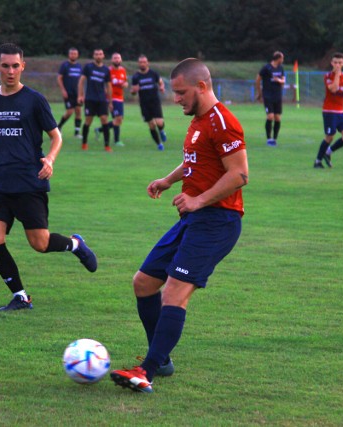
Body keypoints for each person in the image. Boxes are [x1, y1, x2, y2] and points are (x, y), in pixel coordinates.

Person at [110, 58, 249, 393]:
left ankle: (148, 369)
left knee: (173, 292)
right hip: (194, 219)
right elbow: (194, 161)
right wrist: (169, 180)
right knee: (143, 283)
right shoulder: (198, 121)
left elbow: (240, 174)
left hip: (218, 221)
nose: (176, 99)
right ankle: (162, 356)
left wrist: (199, 200)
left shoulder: (223, 122)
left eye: (181, 92)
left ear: (201, 86)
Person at [0, 43, 98, 312]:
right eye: (5, 65)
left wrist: (50, 160)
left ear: (23, 67)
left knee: (39, 243)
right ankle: (20, 296)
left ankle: (75, 245)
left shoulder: (34, 100)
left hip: (28, 182)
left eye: (15, 65)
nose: (10, 71)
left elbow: (56, 136)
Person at [313, 52, 343, 168]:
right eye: (335, 62)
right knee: (329, 137)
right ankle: (317, 162)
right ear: (331, 63)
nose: (337, 65)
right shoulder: (328, 76)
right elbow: (334, 89)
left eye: (340, 63)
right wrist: (337, 74)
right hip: (329, 111)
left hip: (340, 111)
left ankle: (328, 152)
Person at [78, 48, 112, 152]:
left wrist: (110, 101)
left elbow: (109, 86)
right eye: (96, 54)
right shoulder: (88, 67)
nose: (98, 56)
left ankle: (107, 145)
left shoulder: (106, 70)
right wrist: (80, 95)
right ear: (94, 56)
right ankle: (84, 143)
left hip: (102, 99)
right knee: (88, 120)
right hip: (90, 99)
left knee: (104, 120)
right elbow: (81, 81)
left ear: (103, 56)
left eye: (100, 54)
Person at [131, 54, 167, 150]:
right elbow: (133, 91)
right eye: (140, 62)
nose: (142, 64)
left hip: (155, 101)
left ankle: (162, 131)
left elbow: (160, 82)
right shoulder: (136, 77)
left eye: (144, 62)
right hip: (144, 104)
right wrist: (134, 91)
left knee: (159, 123)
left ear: (147, 63)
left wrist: (162, 87)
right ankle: (159, 144)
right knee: (151, 125)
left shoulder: (153, 73)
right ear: (138, 64)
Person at [95, 52, 128, 147]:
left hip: (120, 98)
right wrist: (107, 95)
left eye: (118, 58)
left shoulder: (123, 70)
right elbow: (103, 84)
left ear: (121, 60)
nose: (117, 60)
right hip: (111, 98)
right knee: (118, 118)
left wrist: (125, 84)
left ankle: (100, 130)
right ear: (111, 60)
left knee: (119, 120)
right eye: (115, 58)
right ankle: (117, 140)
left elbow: (125, 82)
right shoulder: (108, 71)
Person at [255, 51, 285, 146]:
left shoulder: (281, 68)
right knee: (270, 116)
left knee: (277, 118)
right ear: (278, 58)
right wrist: (260, 93)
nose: (283, 60)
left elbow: (283, 81)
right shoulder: (266, 68)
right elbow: (258, 79)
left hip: (277, 96)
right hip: (268, 95)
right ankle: (269, 139)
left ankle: (274, 138)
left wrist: (279, 80)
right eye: (282, 58)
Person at [57, 47, 83, 139]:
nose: (73, 55)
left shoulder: (79, 66)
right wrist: (63, 90)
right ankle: (58, 126)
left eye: (75, 54)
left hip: (78, 93)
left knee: (78, 111)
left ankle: (77, 132)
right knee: (69, 111)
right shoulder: (65, 65)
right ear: (69, 55)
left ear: (77, 55)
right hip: (68, 93)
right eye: (71, 53)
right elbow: (59, 78)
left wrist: (81, 93)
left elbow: (81, 80)